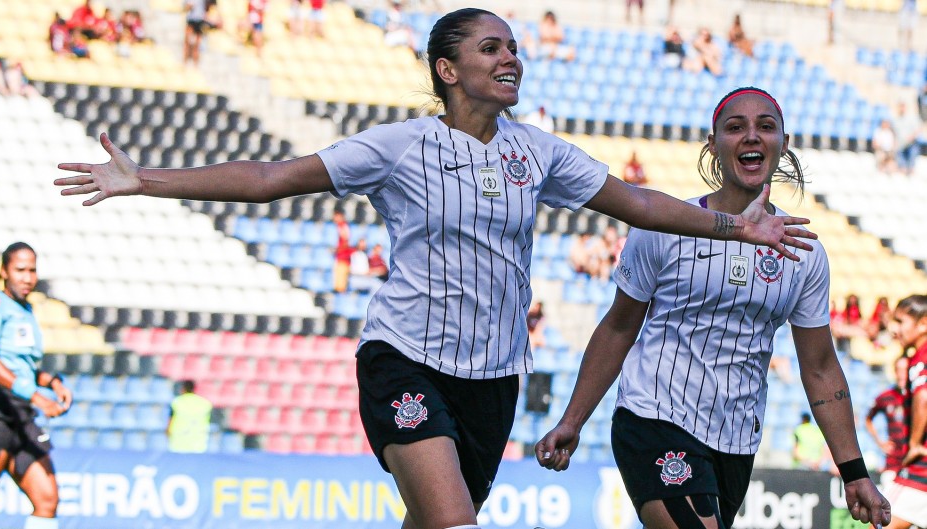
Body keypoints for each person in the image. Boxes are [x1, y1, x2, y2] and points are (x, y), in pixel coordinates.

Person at [56, 12, 816, 526]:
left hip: (492, 381)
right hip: (403, 361)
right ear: (447, 69)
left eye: (513, 46)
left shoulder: (536, 151)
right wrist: (145, 179)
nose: (509, 56)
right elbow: (269, 177)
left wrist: (735, 226)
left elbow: (636, 203)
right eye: (490, 47)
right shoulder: (397, 146)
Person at [535, 87, 890, 529]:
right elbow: (619, 327)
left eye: (766, 126)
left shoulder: (805, 254)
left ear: (784, 142)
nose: (751, 136)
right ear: (713, 145)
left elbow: (819, 367)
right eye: (735, 127)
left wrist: (853, 471)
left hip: (736, 442)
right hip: (654, 417)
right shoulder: (663, 227)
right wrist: (573, 419)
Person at [0, 242, 72, 529]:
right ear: (4, 272)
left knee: (47, 500)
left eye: (32, 270)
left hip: (22, 415)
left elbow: (24, 368)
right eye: (20, 270)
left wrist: (52, 382)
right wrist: (35, 396)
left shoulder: (26, 310)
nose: (27, 277)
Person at [882, 295, 927, 529]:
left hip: (921, 469)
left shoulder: (922, 355)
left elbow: (923, 396)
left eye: (900, 322)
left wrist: (915, 443)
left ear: (923, 324)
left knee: (881, 523)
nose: (893, 329)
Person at [866, 355, 910, 482]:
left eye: (905, 370)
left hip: (915, 462)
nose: (901, 374)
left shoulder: (919, 396)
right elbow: (868, 419)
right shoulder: (886, 397)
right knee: (890, 498)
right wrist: (880, 443)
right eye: (898, 370)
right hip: (893, 461)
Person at [166, 379, 213, 453]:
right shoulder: (205, 403)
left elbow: (170, 421)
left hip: (178, 443)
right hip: (199, 443)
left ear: (183, 389)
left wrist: (168, 432)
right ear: (194, 388)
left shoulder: (176, 402)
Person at [892, 101, 920, 177]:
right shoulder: (895, 120)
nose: (902, 108)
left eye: (903, 106)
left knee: (911, 164)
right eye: (900, 106)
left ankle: (911, 173)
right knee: (902, 167)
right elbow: (894, 133)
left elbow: (917, 131)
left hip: (911, 144)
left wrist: (910, 138)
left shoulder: (912, 118)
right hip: (900, 145)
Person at [184, 0, 209, 66]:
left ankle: (195, 65)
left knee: (197, 45)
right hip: (191, 20)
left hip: (199, 20)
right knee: (187, 43)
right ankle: (185, 63)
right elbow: (186, 7)